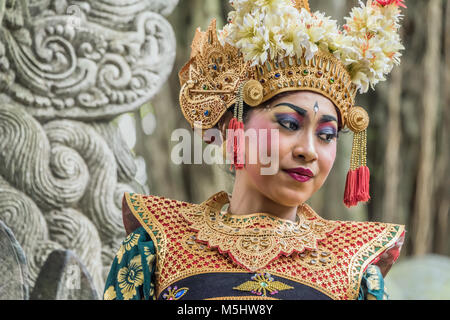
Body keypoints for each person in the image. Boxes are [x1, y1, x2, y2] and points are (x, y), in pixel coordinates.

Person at [103, 0, 407, 300]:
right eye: (289, 123)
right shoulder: (157, 244)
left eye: (327, 134)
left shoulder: (356, 266)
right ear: (231, 129)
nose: (309, 151)